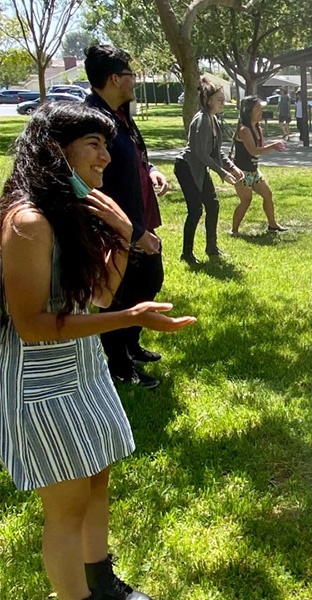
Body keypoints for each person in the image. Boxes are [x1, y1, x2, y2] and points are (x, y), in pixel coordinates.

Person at [0, 102, 195, 600]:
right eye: (93, 144)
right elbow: (33, 325)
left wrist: (125, 236)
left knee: (97, 481)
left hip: (84, 372)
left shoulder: (74, 209)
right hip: (43, 386)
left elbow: (100, 297)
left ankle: (100, 581)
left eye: (106, 145)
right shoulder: (28, 222)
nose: (106, 156)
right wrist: (131, 319)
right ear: (54, 151)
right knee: (65, 509)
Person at [84, 44, 169, 390]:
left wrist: (151, 170)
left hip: (141, 220)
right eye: (131, 75)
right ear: (115, 78)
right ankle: (119, 365)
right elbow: (89, 177)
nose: (136, 80)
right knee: (116, 297)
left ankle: (131, 344)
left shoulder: (122, 113)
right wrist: (125, 230)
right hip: (116, 228)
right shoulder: (92, 119)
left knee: (150, 281)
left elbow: (133, 155)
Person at [174, 77, 243, 264]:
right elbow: (200, 153)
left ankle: (211, 248)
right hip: (186, 167)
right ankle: (186, 253)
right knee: (195, 210)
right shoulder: (202, 119)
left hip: (198, 167)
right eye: (219, 99)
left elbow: (216, 150)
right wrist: (222, 172)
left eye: (223, 99)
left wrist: (232, 167)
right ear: (208, 100)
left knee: (212, 205)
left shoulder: (214, 120)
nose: (223, 103)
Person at [230, 96, 287, 236]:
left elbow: (258, 150)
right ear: (248, 111)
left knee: (267, 194)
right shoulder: (244, 130)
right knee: (246, 200)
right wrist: (273, 146)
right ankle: (234, 230)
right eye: (258, 108)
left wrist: (271, 145)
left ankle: (272, 225)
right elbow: (253, 151)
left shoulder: (257, 128)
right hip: (241, 172)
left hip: (254, 171)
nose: (261, 111)